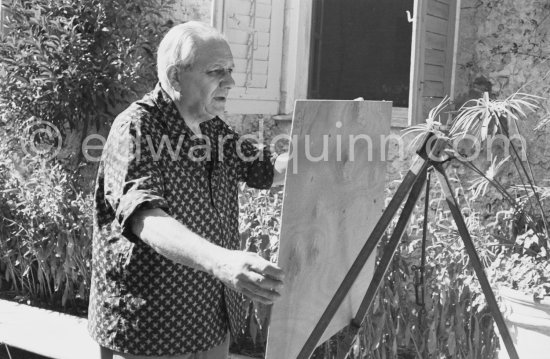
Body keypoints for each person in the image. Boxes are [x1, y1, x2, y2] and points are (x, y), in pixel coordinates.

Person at [88, 21, 286, 359]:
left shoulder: (212, 128)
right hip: (153, 330)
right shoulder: (136, 128)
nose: (231, 82)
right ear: (177, 76)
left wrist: (339, 132)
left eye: (231, 71)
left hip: (210, 321)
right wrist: (222, 262)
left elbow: (268, 170)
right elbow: (146, 218)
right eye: (216, 72)